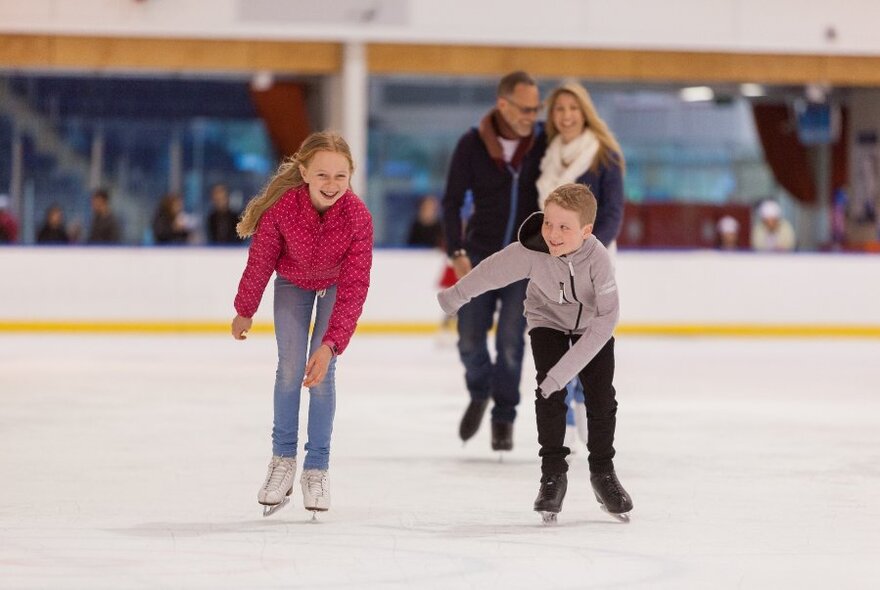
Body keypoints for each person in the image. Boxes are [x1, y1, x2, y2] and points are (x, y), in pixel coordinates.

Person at [438, 183, 632, 521]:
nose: (552, 235)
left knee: (601, 398)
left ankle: (603, 473)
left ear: (586, 232)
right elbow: (491, 271)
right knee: (549, 397)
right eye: (549, 224)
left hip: (592, 327)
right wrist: (455, 296)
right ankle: (552, 476)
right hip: (548, 321)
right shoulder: (533, 249)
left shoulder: (599, 260)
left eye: (564, 228)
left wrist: (561, 375)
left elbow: (606, 319)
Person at [230, 131, 373, 517]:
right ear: (305, 172)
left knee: (322, 375)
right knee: (290, 370)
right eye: (323, 175)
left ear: (351, 176)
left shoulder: (358, 217)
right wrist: (245, 308)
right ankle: (282, 462)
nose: (332, 185)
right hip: (292, 283)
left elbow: (356, 285)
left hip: (335, 285)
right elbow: (260, 261)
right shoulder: (283, 209)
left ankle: (316, 468)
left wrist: (330, 345)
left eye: (340, 176)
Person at [441, 70, 547, 452]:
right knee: (469, 338)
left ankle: (504, 416)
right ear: (503, 104)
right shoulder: (472, 144)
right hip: (481, 256)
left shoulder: (542, 143)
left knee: (511, 343)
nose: (531, 116)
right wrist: (457, 251)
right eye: (525, 108)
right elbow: (451, 201)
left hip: (527, 259)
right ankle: (479, 390)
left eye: (537, 109)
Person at [538, 80, 626, 455]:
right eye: (559, 109)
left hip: (593, 261)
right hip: (551, 261)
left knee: (590, 336)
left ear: (584, 112)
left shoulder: (604, 155)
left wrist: (588, 253)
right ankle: (569, 413)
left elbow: (612, 212)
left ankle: (585, 402)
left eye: (573, 108)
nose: (566, 116)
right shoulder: (547, 156)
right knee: (555, 336)